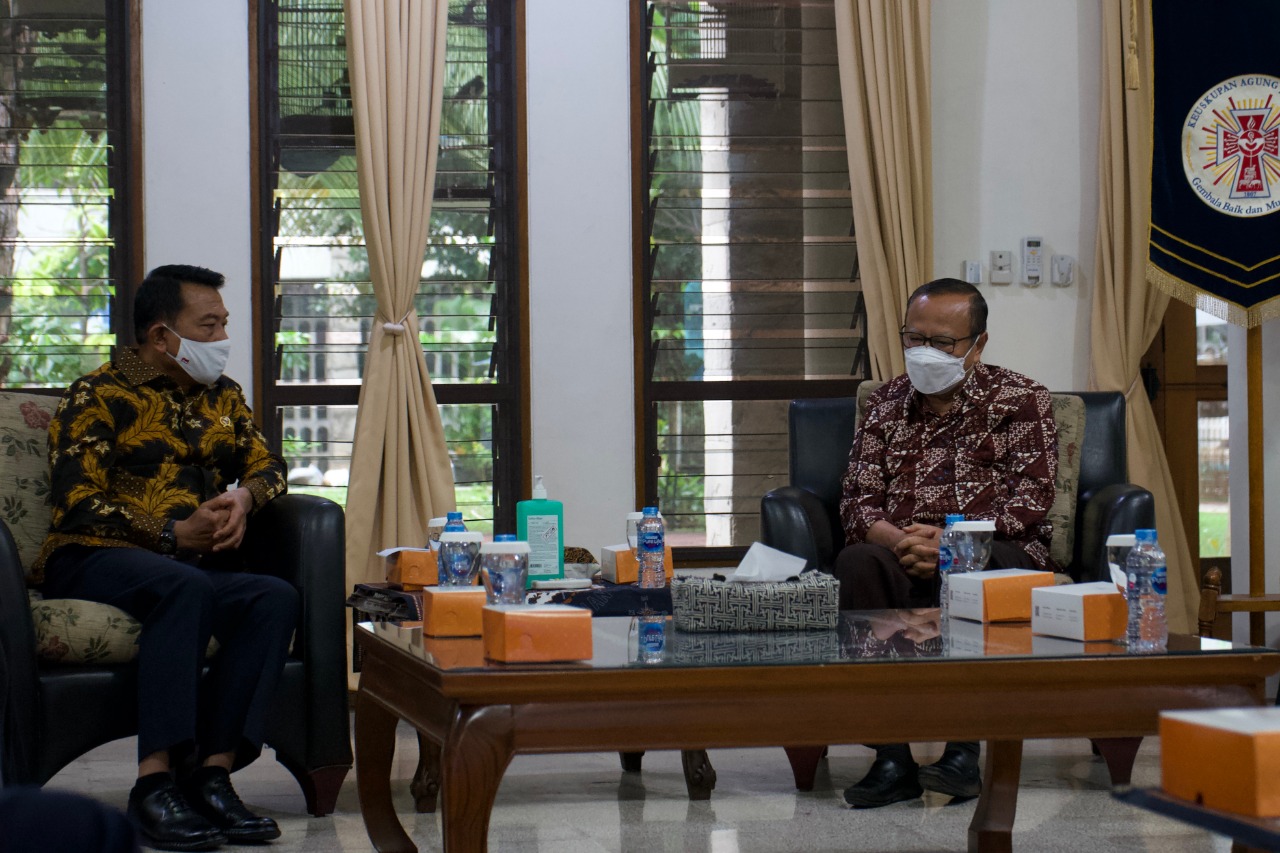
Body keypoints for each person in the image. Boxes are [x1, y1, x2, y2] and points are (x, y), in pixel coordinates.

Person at [32, 265, 295, 851]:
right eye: (209, 326)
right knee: (184, 587)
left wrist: (245, 498)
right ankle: (153, 785)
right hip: (94, 554)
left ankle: (212, 777)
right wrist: (174, 533)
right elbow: (78, 501)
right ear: (160, 336)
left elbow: (268, 464)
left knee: (272, 597)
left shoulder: (223, 396)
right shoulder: (96, 394)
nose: (222, 338)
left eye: (224, 323)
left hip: (185, 565)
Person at [833, 278, 1058, 809]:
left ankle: (962, 753)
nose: (924, 352)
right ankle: (892, 757)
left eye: (942, 342)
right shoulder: (885, 402)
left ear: (978, 345)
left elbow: (1032, 498)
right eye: (914, 338)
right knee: (857, 562)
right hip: (899, 547)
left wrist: (956, 541)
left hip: (991, 546)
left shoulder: (1021, 399)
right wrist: (898, 540)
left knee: (972, 566)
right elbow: (857, 502)